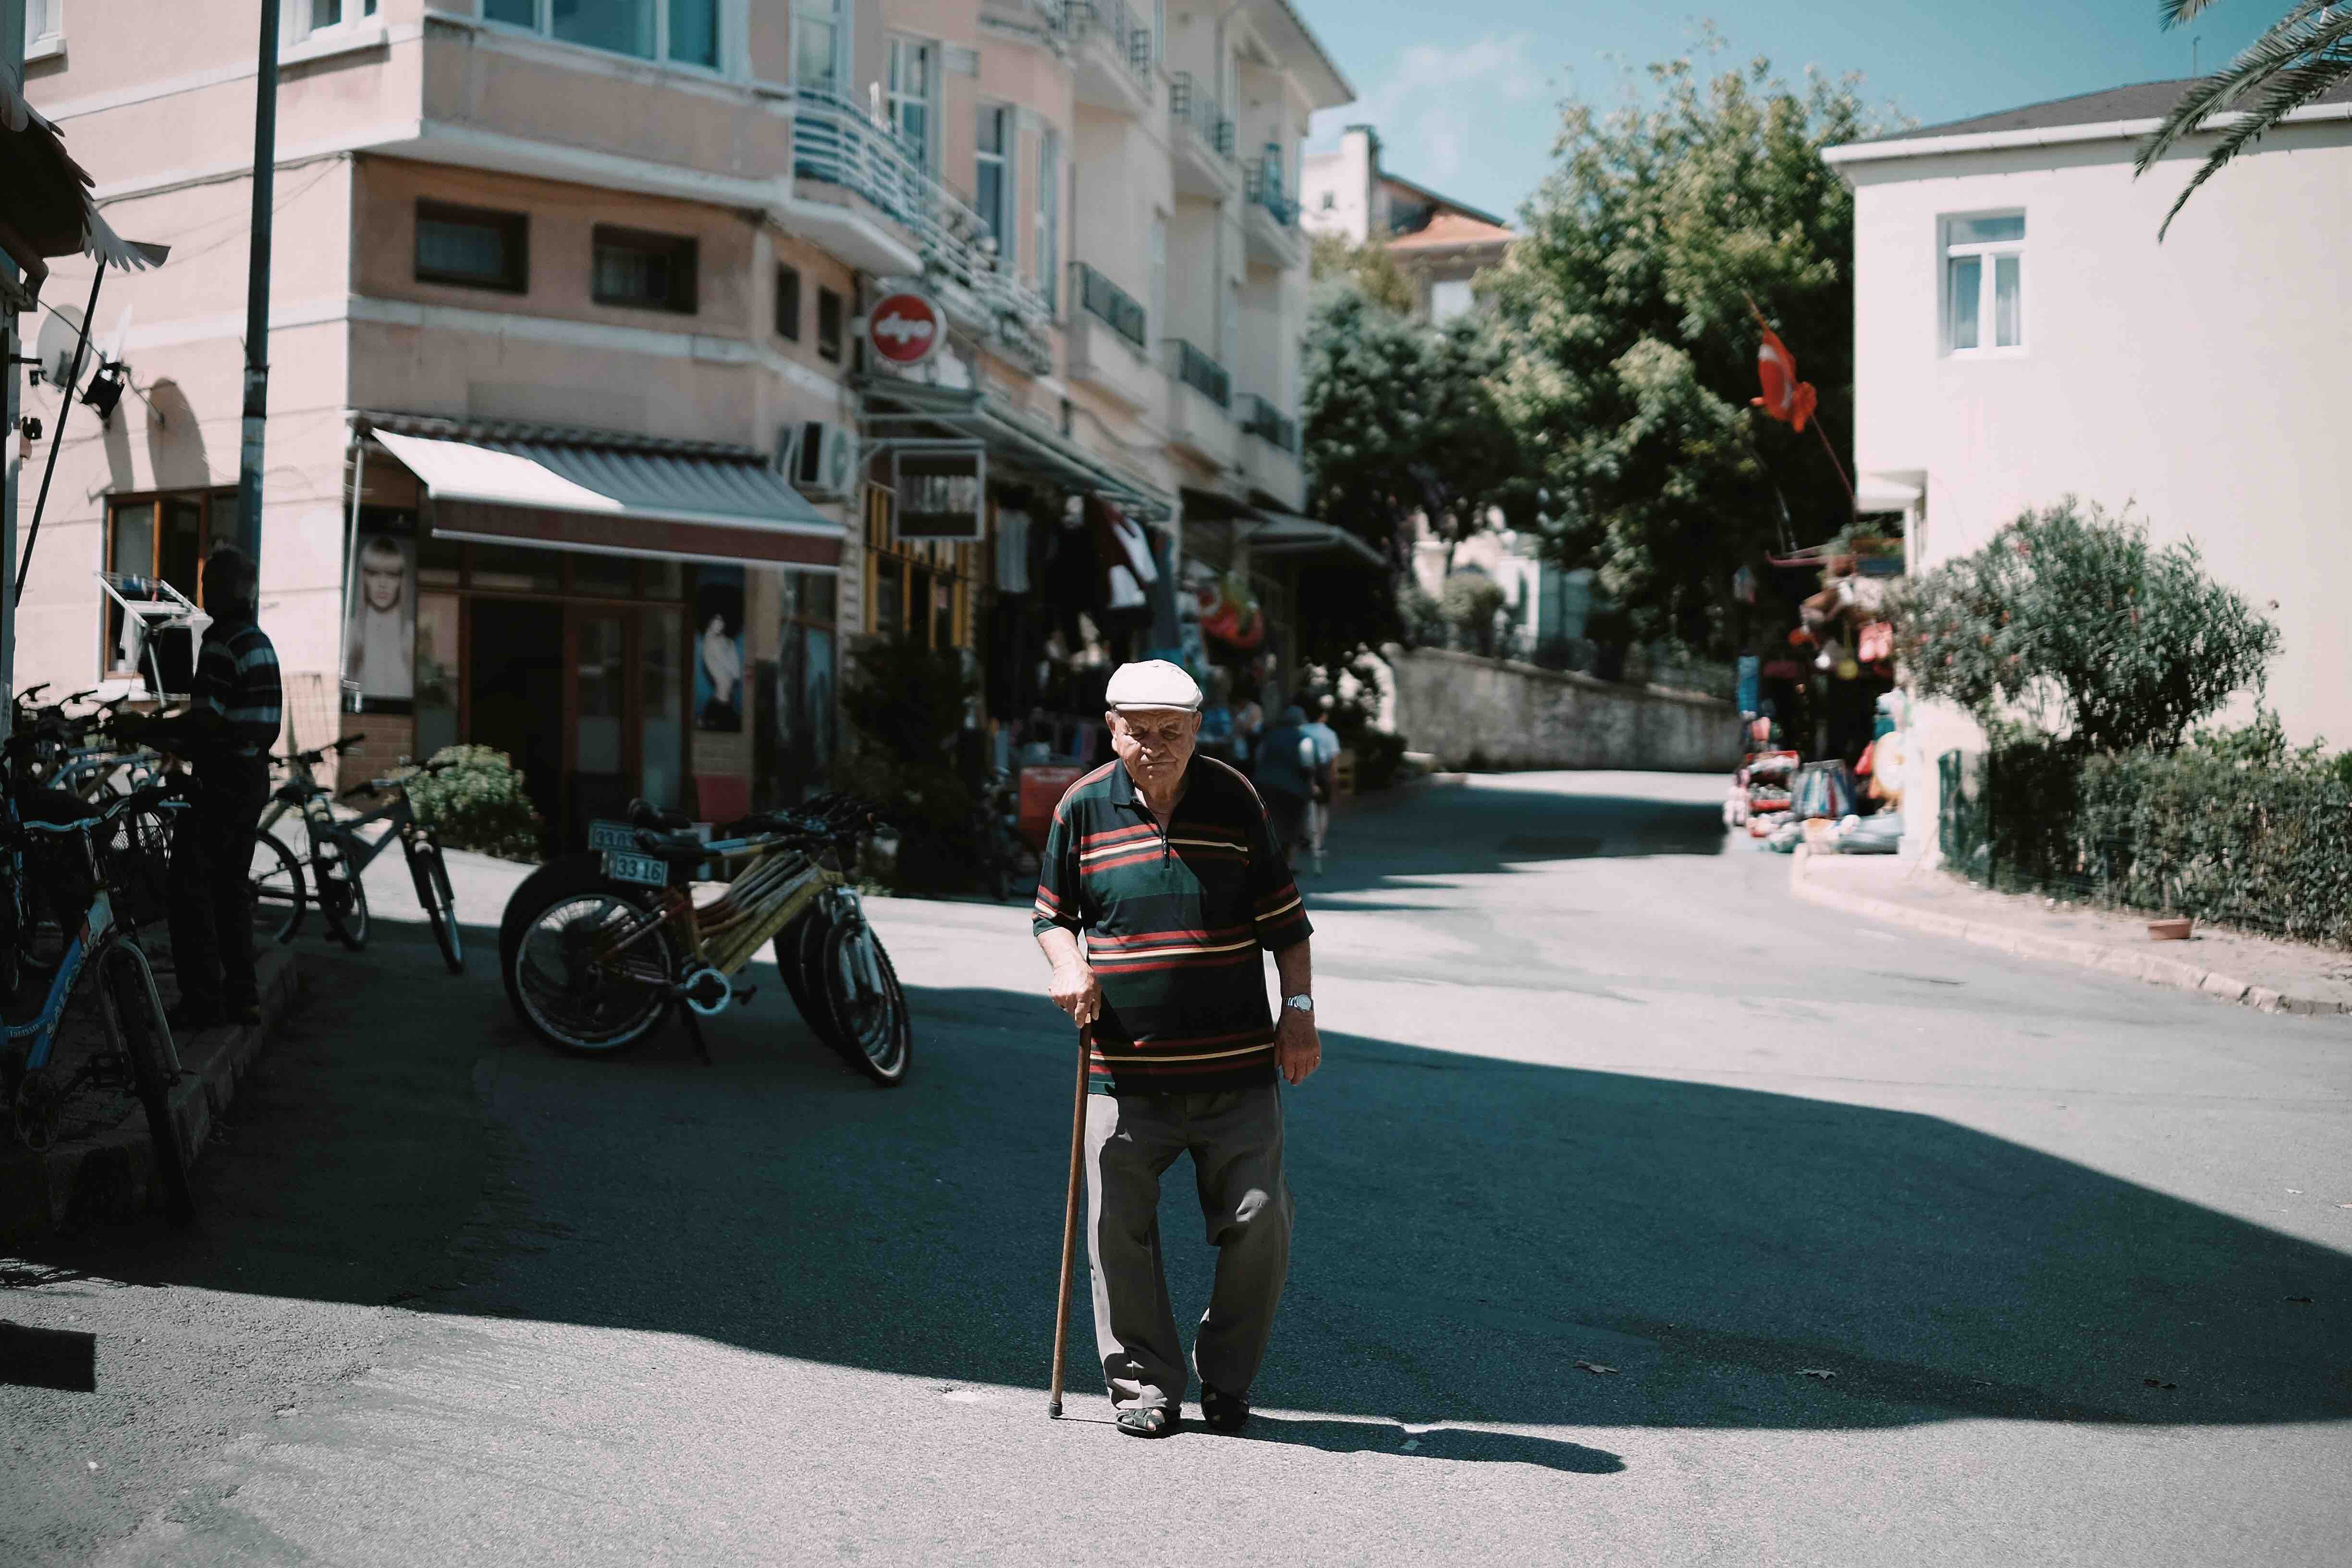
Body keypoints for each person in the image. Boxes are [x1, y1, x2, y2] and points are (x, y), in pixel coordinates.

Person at [1032, 659, 1320, 1439]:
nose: (1153, 747)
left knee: (1260, 1220)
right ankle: (1142, 1385)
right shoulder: (1082, 807)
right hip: (1122, 1072)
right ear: (1112, 727)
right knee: (1114, 1227)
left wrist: (1298, 1010)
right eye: (1137, 732)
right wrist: (1069, 965)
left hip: (1235, 1071)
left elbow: (1286, 923)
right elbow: (1052, 915)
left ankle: (1227, 1377)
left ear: (1198, 730)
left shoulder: (1235, 799)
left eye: (1171, 733)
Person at [158, 546, 282, 1031]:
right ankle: (244, 998)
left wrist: (147, 732)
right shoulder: (260, 642)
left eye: (208, 582)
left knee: (189, 892)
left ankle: (202, 1002)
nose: (202, 591)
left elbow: (205, 725)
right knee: (231, 893)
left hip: (219, 786)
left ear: (227, 589)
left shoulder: (221, 644)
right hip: (252, 782)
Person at [343, 534, 414, 703]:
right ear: (364, 577)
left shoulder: (411, 633)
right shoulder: (351, 631)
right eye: (374, 573)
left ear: (401, 580)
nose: (383, 583)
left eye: (391, 575)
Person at [1250, 704, 1317, 867]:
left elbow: (1259, 758)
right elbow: (1307, 764)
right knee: (1293, 825)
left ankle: (1269, 860)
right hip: (1294, 790)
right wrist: (1312, 784)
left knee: (1271, 823)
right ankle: (1289, 864)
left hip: (1265, 786)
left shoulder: (1269, 736)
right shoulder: (1304, 739)